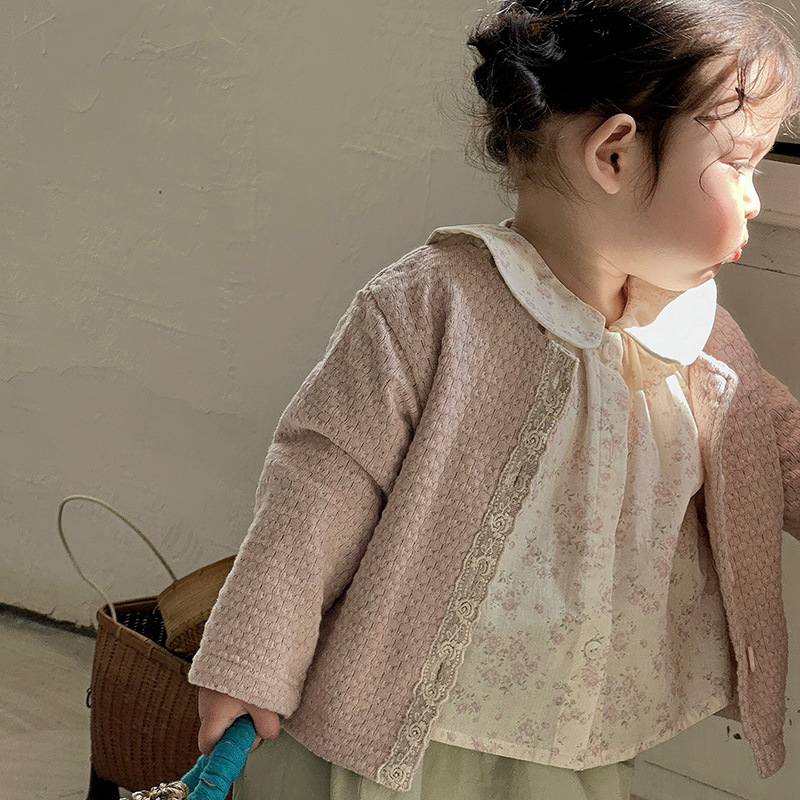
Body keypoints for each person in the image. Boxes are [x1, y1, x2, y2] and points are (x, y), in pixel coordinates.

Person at [187, 1, 800, 798]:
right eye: (738, 165)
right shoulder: (436, 305)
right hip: (394, 737)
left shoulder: (701, 345)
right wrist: (251, 660)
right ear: (614, 154)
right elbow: (319, 484)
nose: (753, 201)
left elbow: (781, 451)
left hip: (577, 740)